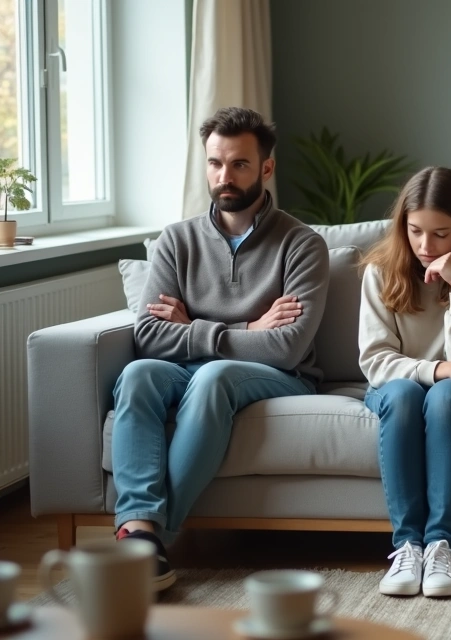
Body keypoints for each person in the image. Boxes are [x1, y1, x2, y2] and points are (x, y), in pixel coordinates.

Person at [111, 107, 329, 590]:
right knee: (138, 374)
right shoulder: (175, 240)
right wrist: (249, 324)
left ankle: (151, 535)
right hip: (189, 368)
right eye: (214, 163)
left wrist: (195, 326)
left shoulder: (302, 244)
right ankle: (140, 536)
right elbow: (149, 336)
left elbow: (287, 348)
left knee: (213, 375)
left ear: (266, 168)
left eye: (239, 164)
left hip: (280, 378)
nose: (223, 177)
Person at [359, 166, 451, 598]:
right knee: (406, 394)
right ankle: (407, 546)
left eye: (441, 233)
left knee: (443, 398)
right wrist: (438, 369)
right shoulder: (381, 271)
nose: (426, 247)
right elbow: (375, 361)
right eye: (415, 231)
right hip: (397, 384)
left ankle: (441, 544)